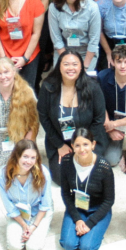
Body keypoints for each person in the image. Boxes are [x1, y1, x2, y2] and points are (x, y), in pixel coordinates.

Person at [37, 51, 108, 181]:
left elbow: (99, 119)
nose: (71, 68)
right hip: (60, 141)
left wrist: (82, 146)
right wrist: (59, 145)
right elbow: (44, 117)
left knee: (90, 176)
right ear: (59, 66)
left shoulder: (93, 87)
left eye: (75, 64)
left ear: (81, 67)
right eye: (66, 64)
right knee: (62, 177)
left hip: (88, 141)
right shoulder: (48, 87)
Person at [59, 127, 115, 250]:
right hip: (77, 207)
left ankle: (96, 231)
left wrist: (90, 223)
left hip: (98, 209)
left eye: (85, 144)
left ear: (93, 144)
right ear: (72, 146)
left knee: (86, 247)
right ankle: (80, 225)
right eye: (77, 145)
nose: (82, 149)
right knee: (68, 245)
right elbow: (66, 194)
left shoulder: (104, 166)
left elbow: (109, 200)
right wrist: (77, 219)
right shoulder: (66, 162)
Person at [0, 140, 54, 250]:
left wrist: (33, 226)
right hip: (18, 214)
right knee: (14, 247)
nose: (29, 161)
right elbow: (9, 205)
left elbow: (45, 204)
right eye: (25, 157)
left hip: (39, 212)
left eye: (33, 158)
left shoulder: (43, 173)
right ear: (17, 156)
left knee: (32, 249)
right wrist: (23, 225)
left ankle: (42, 226)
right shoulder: (2, 175)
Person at [47, 0, 101, 74]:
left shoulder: (92, 7)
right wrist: (67, 62)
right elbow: (56, 39)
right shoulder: (54, 7)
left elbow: (94, 41)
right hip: (64, 51)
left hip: (86, 52)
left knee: (83, 84)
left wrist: (84, 67)